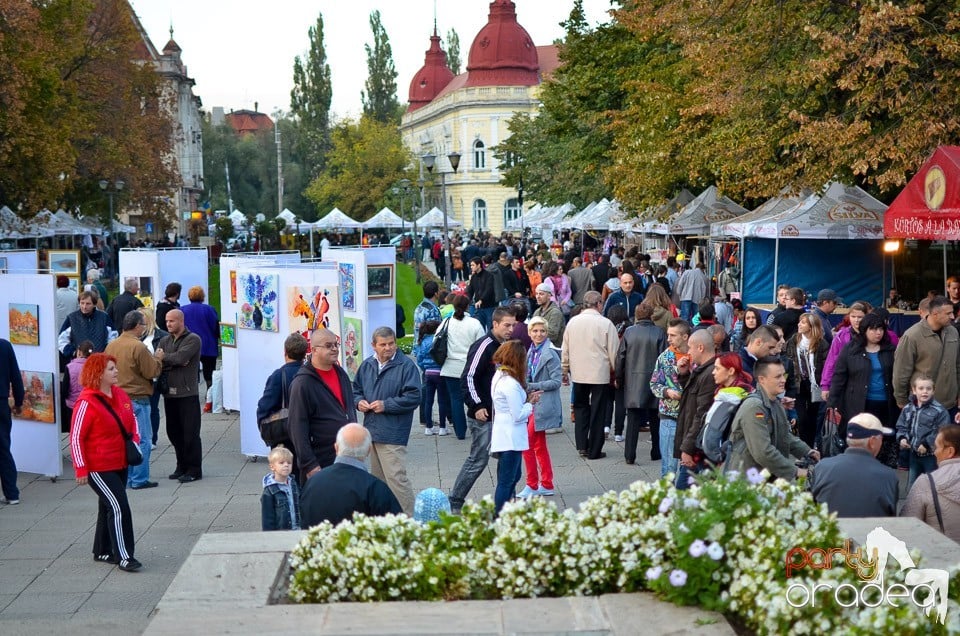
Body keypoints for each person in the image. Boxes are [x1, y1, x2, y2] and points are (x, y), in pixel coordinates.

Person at [69, 353, 142, 571]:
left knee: (107, 505)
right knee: (119, 506)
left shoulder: (120, 394)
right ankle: (125, 556)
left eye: (115, 368)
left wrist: (135, 442)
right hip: (98, 466)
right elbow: (75, 437)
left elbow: (133, 421)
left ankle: (102, 550)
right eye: (111, 369)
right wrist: (81, 468)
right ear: (98, 373)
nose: (116, 372)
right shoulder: (86, 402)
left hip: (120, 462)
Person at [448, 307, 517, 512]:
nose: (511, 329)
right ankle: (455, 500)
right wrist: (476, 405)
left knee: (506, 459)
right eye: (507, 325)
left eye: (513, 325)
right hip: (483, 414)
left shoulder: (507, 345)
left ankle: (505, 501)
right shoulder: (485, 345)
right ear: (495, 324)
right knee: (478, 459)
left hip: (501, 414)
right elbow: (468, 377)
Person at [352, 327, 421, 515]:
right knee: (378, 481)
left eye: (391, 343)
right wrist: (359, 402)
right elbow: (355, 390)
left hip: (393, 432)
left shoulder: (406, 366)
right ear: (373, 345)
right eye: (383, 344)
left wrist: (386, 405)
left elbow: (414, 397)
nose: (388, 348)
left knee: (397, 480)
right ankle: (384, 518)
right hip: (371, 431)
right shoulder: (367, 365)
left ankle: (410, 520)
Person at [727, 358, 819, 482]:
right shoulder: (755, 407)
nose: (783, 380)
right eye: (777, 377)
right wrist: (796, 472)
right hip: (746, 481)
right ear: (761, 379)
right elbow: (763, 452)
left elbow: (785, 435)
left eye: (783, 375)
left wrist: (807, 451)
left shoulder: (775, 403)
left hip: (765, 478)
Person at [299, 423, 402, 527]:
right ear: (369, 450)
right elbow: (397, 529)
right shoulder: (375, 489)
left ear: (336, 447)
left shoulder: (313, 483)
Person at [104, 311, 163, 490]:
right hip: (137, 397)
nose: (144, 328)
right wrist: (158, 359)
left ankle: (128, 477)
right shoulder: (138, 347)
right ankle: (139, 478)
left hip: (117, 398)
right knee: (143, 439)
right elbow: (151, 372)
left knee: (126, 439)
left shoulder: (111, 346)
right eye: (144, 325)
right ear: (137, 326)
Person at [288, 329, 356, 481]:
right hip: (321, 461)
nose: (334, 348)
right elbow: (297, 428)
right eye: (328, 345)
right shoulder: (302, 383)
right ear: (314, 350)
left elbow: (348, 409)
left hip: (346, 456)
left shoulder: (341, 374)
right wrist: (310, 464)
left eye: (335, 344)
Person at [562, 291, 619, 460]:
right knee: (598, 410)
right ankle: (594, 449)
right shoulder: (606, 324)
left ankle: (581, 445)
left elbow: (565, 349)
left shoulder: (572, 323)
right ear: (599, 304)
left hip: (579, 372)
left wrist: (564, 370)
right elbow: (613, 352)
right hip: (599, 373)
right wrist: (616, 373)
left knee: (580, 407)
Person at [808, 413, 899, 517]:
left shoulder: (822, 467)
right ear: (872, 442)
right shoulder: (888, 476)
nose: (882, 442)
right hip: (869, 532)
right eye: (881, 438)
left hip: (831, 531)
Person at [489, 340, 538, 514]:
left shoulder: (500, 376)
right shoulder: (510, 383)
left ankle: (505, 510)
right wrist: (530, 403)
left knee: (512, 476)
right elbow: (518, 414)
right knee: (507, 479)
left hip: (504, 432)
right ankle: (499, 514)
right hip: (510, 435)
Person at [616, 302, 667, 465]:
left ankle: (629, 454)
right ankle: (656, 451)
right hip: (653, 380)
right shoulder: (659, 332)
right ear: (651, 314)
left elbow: (621, 357)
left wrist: (619, 377)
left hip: (633, 381)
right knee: (655, 418)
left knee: (632, 420)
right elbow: (664, 358)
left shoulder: (629, 332)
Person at [892, 296, 960, 415]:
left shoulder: (953, 332)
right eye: (948, 313)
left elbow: (958, 365)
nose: (953, 317)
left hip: (950, 404)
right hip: (922, 405)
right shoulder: (912, 336)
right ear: (935, 314)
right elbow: (901, 373)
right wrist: (902, 401)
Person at [517, 317, 561, 498]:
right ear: (529, 333)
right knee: (539, 445)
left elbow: (557, 381)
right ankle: (547, 483)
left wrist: (532, 386)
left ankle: (532, 484)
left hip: (543, 404)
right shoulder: (531, 351)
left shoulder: (550, 353)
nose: (539, 334)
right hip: (534, 403)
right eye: (535, 331)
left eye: (542, 331)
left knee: (526, 442)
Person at [157, 309, 203, 483]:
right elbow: (161, 361)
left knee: (190, 433)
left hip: (187, 393)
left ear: (181, 321)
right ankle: (181, 465)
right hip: (170, 394)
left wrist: (167, 359)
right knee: (174, 432)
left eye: (172, 321)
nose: (168, 324)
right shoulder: (164, 340)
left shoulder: (193, 339)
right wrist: (172, 360)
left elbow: (181, 358)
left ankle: (194, 469)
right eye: (167, 321)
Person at [256, 333, 309, 482]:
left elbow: (264, 407)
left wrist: (266, 429)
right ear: (305, 353)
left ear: (285, 352)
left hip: (284, 436)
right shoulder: (311, 374)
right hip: (307, 434)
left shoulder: (279, 375)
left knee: (286, 476)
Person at [673, 330, 717, 489]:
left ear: (700, 348)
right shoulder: (702, 370)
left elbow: (701, 414)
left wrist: (687, 448)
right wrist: (684, 375)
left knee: (681, 495)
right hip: (695, 445)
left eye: (690, 347)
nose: (688, 352)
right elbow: (691, 398)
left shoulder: (709, 374)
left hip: (698, 448)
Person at [902, 425, 960, 542]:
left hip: (942, 557)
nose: (934, 452)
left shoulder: (926, 483)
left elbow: (906, 528)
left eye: (937, 447)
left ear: (950, 451)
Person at [439, 295, 485, 441]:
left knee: (455, 399)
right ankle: (477, 426)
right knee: (474, 397)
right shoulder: (474, 323)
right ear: (467, 306)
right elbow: (481, 344)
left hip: (450, 366)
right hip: (470, 366)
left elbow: (437, 339)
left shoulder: (446, 322)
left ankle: (460, 431)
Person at [650, 318, 691, 476]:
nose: (668, 339)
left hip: (691, 419)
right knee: (669, 468)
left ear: (685, 337)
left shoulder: (695, 356)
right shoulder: (664, 358)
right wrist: (667, 392)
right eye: (668, 335)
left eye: (673, 335)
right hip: (670, 417)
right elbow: (654, 384)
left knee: (688, 471)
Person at [896, 374, 950, 489]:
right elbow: (902, 426)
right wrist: (902, 438)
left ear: (933, 391)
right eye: (921, 388)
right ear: (914, 391)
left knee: (932, 484)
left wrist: (926, 443)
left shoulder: (939, 411)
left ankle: (932, 505)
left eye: (928, 389)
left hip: (931, 456)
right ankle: (911, 505)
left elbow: (941, 431)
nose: (925, 391)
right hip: (913, 454)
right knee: (912, 484)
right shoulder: (908, 408)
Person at [785, 313, 830, 447]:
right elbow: (786, 357)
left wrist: (824, 384)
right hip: (799, 383)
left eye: (803, 323)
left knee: (813, 417)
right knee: (802, 418)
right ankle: (805, 448)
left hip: (815, 385)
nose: (799, 324)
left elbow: (825, 366)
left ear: (811, 327)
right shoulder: (795, 339)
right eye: (799, 322)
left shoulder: (821, 344)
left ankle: (810, 448)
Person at [820, 301, 871, 402]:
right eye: (853, 316)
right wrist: (825, 385)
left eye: (860, 317)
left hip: (867, 382)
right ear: (849, 317)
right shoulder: (841, 336)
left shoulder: (871, 335)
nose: (856, 320)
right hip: (845, 382)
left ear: (866, 317)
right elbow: (831, 361)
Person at [180, 286, 219, 413]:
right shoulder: (209, 309)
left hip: (189, 346)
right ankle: (210, 397)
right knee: (209, 373)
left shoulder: (182, 310)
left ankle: (192, 395)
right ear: (203, 296)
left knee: (192, 371)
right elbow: (215, 326)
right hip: (208, 345)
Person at [138, 308, 168, 448]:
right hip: (139, 379)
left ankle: (152, 438)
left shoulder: (161, 336)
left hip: (154, 379)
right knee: (141, 409)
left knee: (152, 408)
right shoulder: (135, 336)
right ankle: (142, 436)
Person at [415, 321, 450, 437]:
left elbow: (419, 358)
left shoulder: (422, 341)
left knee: (428, 401)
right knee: (442, 401)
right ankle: (442, 427)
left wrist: (424, 368)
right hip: (440, 372)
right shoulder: (438, 340)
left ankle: (428, 427)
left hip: (428, 372)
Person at [0, 338, 24, 505]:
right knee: (3, 448)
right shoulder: (4, 346)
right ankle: (11, 493)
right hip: (1, 403)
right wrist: (18, 402)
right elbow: (16, 377)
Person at [58, 290, 116, 357]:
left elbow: (113, 338)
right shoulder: (71, 318)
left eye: (88, 304)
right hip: (79, 361)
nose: (84, 307)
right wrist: (73, 352)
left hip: (100, 360)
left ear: (94, 304)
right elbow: (61, 340)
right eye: (82, 303)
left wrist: (107, 352)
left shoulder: (104, 317)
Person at [260, 445, 301, 531]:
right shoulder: (269, 492)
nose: (286, 465)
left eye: (289, 463)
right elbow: (267, 519)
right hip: (281, 533)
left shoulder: (293, 483)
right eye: (281, 463)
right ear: (272, 467)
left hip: (298, 530)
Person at [63, 340, 95, 435]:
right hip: (89, 403)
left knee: (74, 430)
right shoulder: (94, 367)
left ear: (79, 352)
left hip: (72, 405)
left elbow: (65, 389)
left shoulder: (69, 367)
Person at [465, 257, 497, 330]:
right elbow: (470, 290)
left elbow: (489, 290)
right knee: (480, 328)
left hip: (489, 305)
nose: (471, 267)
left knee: (490, 327)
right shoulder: (474, 277)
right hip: (478, 306)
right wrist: (467, 301)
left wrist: (481, 300)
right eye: (470, 265)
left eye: (473, 265)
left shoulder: (489, 275)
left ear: (478, 265)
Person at [532, 283, 565, 348]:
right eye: (537, 294)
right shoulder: (537, 312)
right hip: (539, 348)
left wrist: (536, 334)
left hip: (552, 350)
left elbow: (553, 335)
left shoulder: (555, 313)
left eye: (541, 294)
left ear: (549, 296)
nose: (538, 296)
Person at [412, 281, 442, 345]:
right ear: (435, 293)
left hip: (418, 344)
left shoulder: (419, 307)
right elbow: (436, 330)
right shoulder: (432, 310)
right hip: (428, 346)